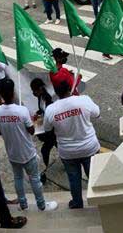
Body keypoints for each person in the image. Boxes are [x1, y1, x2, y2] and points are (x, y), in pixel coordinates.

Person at [0, 78, 59, 212]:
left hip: (12, 153)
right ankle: (41, 205)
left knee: (18, 178)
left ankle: (23, 204)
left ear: (1, 94)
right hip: (27, 152)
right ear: (13, 93)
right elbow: (31, 130)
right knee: (34, 178)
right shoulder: (22, 111)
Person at [42, 80, 100, 209]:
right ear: (70, 88)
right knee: (95, 176)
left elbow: (47, 129)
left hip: (68, 152)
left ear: (56, 93)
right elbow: (97, 113)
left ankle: (77, 202)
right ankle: (99, 201)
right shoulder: (84, 100)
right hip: (89, 147)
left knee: (74, 179)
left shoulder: (51, 109)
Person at [31, 78, 57, 184]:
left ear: (40, 89)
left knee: (45, 150)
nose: (33, 93)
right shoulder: (40, 97)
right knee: (56, 146)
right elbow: (41, 110)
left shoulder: (48, 100)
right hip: (47, 129)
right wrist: (38, 114)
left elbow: (49, 115)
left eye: (34, 91)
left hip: (52, 131)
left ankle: (44, 173)